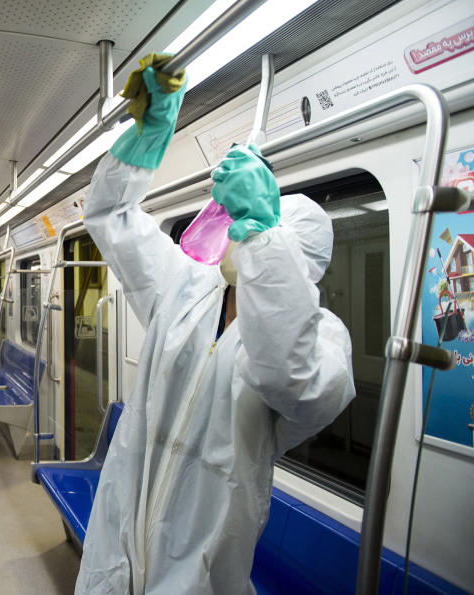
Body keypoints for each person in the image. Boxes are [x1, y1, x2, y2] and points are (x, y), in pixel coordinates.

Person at [75, 54, 356, 594]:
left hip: (199, 572)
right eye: (238, 229)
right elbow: (113, 220)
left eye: (252, 233)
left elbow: (289, 379)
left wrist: (263, 238)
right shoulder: (183, 288)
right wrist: (148, 136)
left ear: (290, 263)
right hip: (118, 546)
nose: (234, 240)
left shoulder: (321, 340)